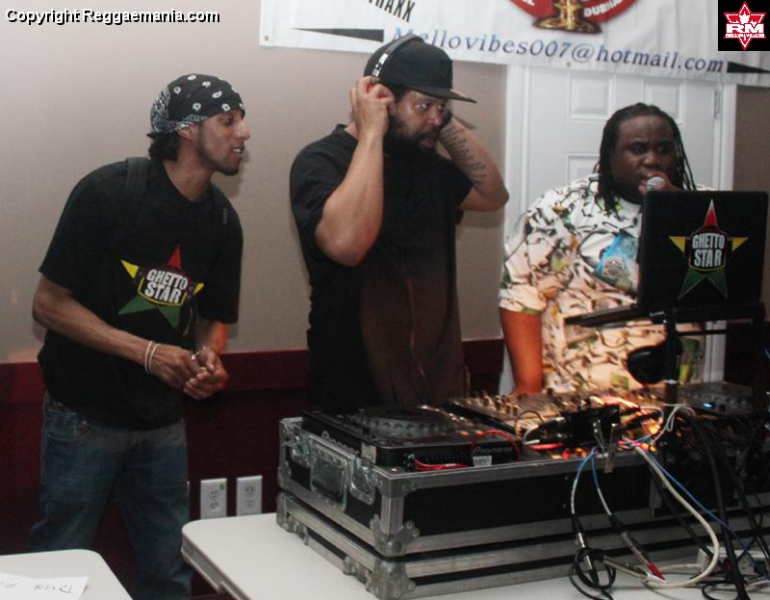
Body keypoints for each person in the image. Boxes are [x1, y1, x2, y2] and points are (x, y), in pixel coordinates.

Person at [30, 73, 249, 600]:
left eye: (242, 120)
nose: (244, 132)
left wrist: (207, 360)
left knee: (169, 568)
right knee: (60, 563)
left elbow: (213, 319)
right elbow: (48, 304)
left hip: (163, 423)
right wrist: (147, 353)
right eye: (228, 120)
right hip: (83, 415)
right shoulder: (109, 192)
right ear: (188, 130)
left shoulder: (223, 221)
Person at [291, 35, 508, 413]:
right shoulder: (320, 161)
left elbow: (492, 195)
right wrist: (371, 131)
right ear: (379, 99)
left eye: (442, 107)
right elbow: (347, 245)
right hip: (354, 393)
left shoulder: (428, 165)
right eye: (423, 105)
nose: (436, 118)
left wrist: (439, 115)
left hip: (435, 392)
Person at [500, 103, 702, 395]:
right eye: (637, 149)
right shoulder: (561, 211)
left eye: (664, 148)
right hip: (580, 397)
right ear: (610, 155)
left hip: (677, 396)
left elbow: (723, 290)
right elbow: (520, 297)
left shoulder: (702, 211)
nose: (652, 159)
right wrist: (528, 386)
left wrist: (680, 212)